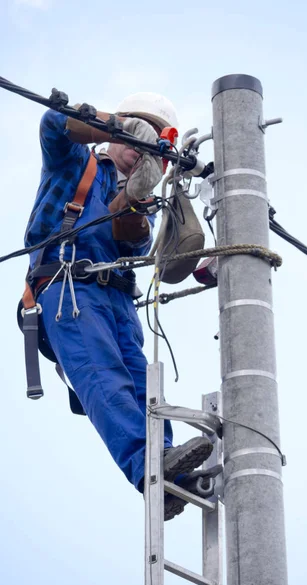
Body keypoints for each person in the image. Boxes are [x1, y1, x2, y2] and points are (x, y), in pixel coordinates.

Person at [24, 92, 213, 520]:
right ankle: (147, 467)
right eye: (136, 133)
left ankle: (166, 474)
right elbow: (53, 123)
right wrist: (117, 125)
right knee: (104, 378)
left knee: (146, 392)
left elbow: (132, 238)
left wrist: (134, 195)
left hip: (118, 301)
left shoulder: (144, 199)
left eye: (153, 145)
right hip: (67, 289)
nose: (141, 149)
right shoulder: (76, 163)